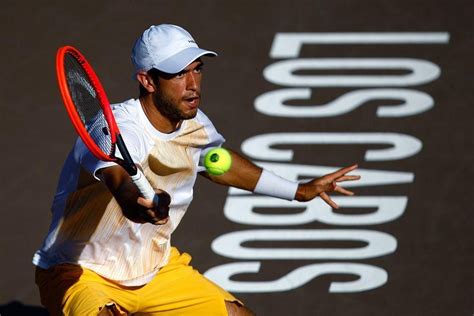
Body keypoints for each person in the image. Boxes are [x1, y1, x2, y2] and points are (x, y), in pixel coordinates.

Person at [33, 24, 360, 315]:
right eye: (178, 74)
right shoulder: (115, 128)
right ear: (147, 80)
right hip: (80, 272)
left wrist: (299, 191)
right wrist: (142, 207)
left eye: (198, 69)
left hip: (155, 270)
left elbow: (218, 164)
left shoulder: (195, 125)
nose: (192, 85)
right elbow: (120, 182)